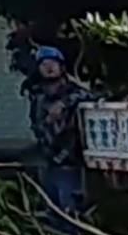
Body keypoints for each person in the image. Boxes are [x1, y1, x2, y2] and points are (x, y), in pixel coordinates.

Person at [23, 44, 90, 221]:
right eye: (44, 64)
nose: (49, 67)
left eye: (53, 63)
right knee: (51, 209)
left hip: (68, 160)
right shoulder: (37, 95)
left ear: (61, 67)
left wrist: (64, 105)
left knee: (69, 210)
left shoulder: (72, 92)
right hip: (47, 160)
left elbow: (89, 97)